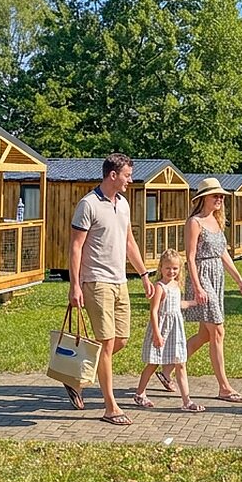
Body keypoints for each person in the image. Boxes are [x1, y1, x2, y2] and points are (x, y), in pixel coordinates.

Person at [69, 153, 154, 425]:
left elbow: (129, 242)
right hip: (96, 281)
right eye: (127, 175)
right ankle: (110, 407)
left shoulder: (124, 204)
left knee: (121, 340)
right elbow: (75, 247)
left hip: (120, 281)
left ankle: (75, 377)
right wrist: (75, 285)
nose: (130, 179)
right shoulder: (88, 205)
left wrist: (143, 274)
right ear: (113, 175)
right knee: (106, 343)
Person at [160, 177, 242, 402]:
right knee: (218, 331)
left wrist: (239, 280)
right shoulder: (194, 222)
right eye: (215, 195)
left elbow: (223, 253)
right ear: (203, 198)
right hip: (201, 277)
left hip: (217, 277)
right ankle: (224, 388)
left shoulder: (217, 221)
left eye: (221, 195)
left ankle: (165, 370)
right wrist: (198, 287)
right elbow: (189, 258)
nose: (219, 199)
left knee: (204, 334)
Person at [130, 249, 205, 413]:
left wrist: (194, 302)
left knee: (180, 363)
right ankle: (140, 393)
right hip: (162, 329)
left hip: (176, 330)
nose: (171, 271)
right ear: (161, 268)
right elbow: (154, 311)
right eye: (168, 268)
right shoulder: (160, 287)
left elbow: (179, 304)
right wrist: (157, 333)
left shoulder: (176, 285)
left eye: (175, 268)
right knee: (153, 362)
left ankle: (186, 400)